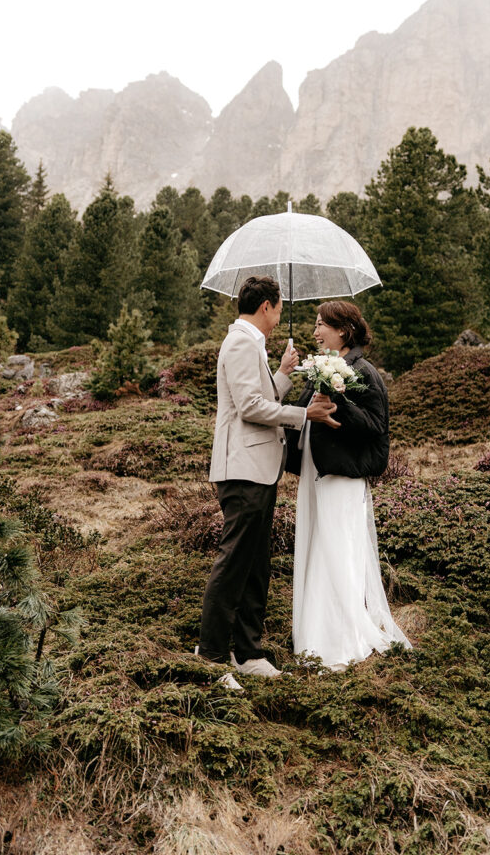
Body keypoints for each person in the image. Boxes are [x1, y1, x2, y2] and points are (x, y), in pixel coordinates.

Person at [198, 276, 340, 690]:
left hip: (256, 468)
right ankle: (210, 655)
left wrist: (280, 374)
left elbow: (259, 396)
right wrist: (303, 416)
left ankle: (247, 652)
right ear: (266, 306)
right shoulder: (241, 343)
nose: (279, 317)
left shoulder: (250, 343)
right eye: (279, 308)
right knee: (234, 563)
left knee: (255, 564)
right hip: (242, 470)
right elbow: (249, 407)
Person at [289, 300, 413, 670]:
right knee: (318, 549)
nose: (314, 332)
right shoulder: (322, 369)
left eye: (320, 324)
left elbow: (375, 427)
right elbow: (301, 412)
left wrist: (338, 400)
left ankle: (341, 638)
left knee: (337, 551)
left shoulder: (364, 371)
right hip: (318, 476)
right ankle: (315, 635)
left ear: (343, 330)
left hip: (343, 478)